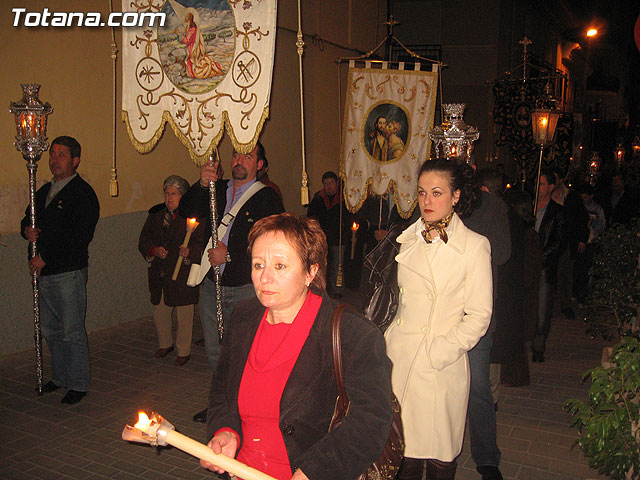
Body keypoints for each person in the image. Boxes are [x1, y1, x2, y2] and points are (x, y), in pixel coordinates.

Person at [200, 213, 393, 480]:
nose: (264, 278)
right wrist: (225, 430)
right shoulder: (245, 317)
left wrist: (314, 472)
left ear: (310, 272)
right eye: (258, 265)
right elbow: (222, 389)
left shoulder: (352, 333)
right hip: (241, 471)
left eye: (280, 266)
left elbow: (370, 420)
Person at [386, 158, 493, 480]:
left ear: (456, 196)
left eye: (436, 193)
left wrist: (440, 352)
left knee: (438, 457)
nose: (427, 201)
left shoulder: (474, 246)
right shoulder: (405, 238)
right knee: (399, 453)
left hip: (440, 364)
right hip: (400, 358)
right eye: (421, 193)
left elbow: (479, 314)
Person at [179, 141, 284, 422]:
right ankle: (222, 405)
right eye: (237, 154)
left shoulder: (267, 198)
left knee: (248, 351)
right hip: (213, 284)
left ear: (259, 165)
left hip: (245, 286)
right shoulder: (216, 189)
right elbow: (185, 208)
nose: (240, 160)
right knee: (215, 351)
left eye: (248, 156)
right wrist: (202, 184)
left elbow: (273, 242)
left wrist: (233, 255)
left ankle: (250, 409)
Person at [20, 136, 100, 405]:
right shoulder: (44, 190)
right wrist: (26, 231)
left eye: (61, 155)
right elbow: (28, 218)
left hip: (67, 271)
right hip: (42, 272)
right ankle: (61, 376)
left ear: (75, 160)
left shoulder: (83, 194)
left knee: (71, 330)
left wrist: (45, 257)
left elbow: (77, 236)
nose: (55, 159)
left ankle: (78, 382)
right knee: (51, 329)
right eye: (52, 154)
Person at [459, 167, 511, 480]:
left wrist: (463, 246)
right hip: (439, 310)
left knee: (478, 386)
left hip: (474, 308)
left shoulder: (492, 208)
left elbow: (502, 252)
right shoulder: (439, 202)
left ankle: (486, 457)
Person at [138, 175, 204, 366]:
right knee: (161, 311)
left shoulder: (194, 217)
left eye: (173, 194)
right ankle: (165, 344)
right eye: (167, 193)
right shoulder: (156, 215)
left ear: (183, 196)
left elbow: (202, 242)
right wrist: (154, 250)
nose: (169, 198)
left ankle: (184, 350)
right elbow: (144, 239)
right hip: (161, 273)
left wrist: (190, 251)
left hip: (182, 273)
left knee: (184, 314)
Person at [498, 189, 542, 387]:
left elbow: (529, 269)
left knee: (515, 341)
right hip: (517, 291)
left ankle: (515, 377)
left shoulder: (527, 235)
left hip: (520, 293)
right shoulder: (519, 231)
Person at [532, 169, 566, 362]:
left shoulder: (557, 212)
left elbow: (559, 242)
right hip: (528, 266)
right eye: (537, 183)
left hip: (545, 266)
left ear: (551, 187)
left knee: (542, 308)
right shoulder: (527, 207)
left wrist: (541, 257)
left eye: (542, 183)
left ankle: (538, 345)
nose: (538, 187)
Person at [307, 171, 353, 298]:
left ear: (337, 183)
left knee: (338, 266)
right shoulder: (319, 198)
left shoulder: (344, 199)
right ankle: (323, 291)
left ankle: (338, 292)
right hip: (323, 239)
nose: (329, 187)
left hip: (339, 238)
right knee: (323, 266)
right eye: (326, 184)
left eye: (331, 183)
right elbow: (311, 216)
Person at [175, 9, 223, 79]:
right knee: (190, 62)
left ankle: (200, 72)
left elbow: (187, 40)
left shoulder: (192, 29)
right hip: (192, 47)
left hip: (194, 49)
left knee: (193, 62)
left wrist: (179, 34)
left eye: (186, 18)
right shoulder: (190, 27)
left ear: (189, 19)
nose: (184, 20)